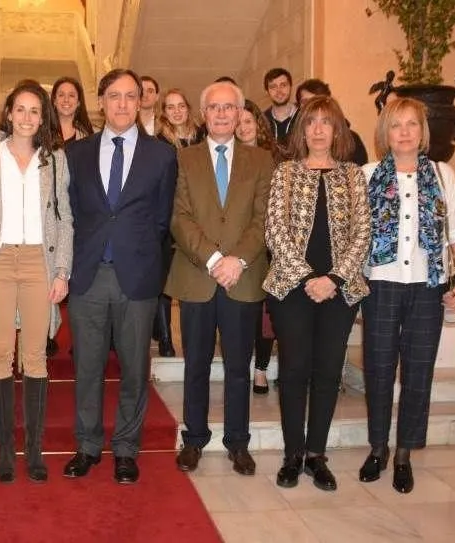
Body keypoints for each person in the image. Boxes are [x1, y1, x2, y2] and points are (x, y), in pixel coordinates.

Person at [63, 69, 177, 484]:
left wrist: (145, 260)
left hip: (138, 277)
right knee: (88, 368)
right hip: (89, 276)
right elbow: (69, 214)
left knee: (133, 369)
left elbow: (163, 219)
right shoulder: (75, 154)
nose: (123, 104)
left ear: (140, 101)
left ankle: (127, 449)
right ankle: (87, 445)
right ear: (101, 101)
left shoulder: (162, 155)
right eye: (114, 96)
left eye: (131, 96)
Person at [359, 97, 455, 494]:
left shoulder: (444, 175)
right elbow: (352, 234)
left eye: (412, 124)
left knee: (418, 372)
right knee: (377, 369)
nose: (405, 132)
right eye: (396, 125)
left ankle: (405, 452)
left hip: (429, 287)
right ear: (385, 133)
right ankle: (378, 448)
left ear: (422, 131)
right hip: (381, 283)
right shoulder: (367, 174)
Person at [0, 81, 73, 483]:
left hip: (37, 262)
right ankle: (5, 450)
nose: (27, 117)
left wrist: (62, 270)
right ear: (8, 113)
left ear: (42, 118)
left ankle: (35, 450)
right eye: (20, 109)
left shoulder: (55, 160)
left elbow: (65, 221)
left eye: (34, 111)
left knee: (36, 356)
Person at [263, 95, 371, 492]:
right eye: (311, 122)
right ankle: (292, 454)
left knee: (327, 373)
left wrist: (335, 280)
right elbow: (274, 230)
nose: (319, 129)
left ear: (338, 129)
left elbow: (363, 233)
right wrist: (309, 277)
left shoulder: (353, 175)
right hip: (292, 288)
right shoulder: (285, 173)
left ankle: (316, 455)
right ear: (302, 130)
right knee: (293, 372)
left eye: (327, 122)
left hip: (339, 293)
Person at [166, 81, 272, 475]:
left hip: (242, 279)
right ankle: (194, 439)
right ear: (203, 113)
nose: (223, 114)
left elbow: (264, 220)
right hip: (197, 275)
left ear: (240, 112)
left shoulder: (261, 161)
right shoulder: (184, 159)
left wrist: (237, 260)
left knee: (239, 368)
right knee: (195, 363)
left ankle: (238, 442)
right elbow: (179, 216)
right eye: (215, 107)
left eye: (230, 107)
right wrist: (213, 258)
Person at [153, 88, 206, 359]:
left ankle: (192, 340)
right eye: (170, 107)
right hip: (169, 216)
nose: (176, 111)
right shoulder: (158, 142)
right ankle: (165, 339)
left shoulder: (203, 137)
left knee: (191, 280)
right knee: (164, 281)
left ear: (188, 108)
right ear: (164, 112)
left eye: (181, 106)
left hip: (200, 218)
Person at [236, 99, 282, 394]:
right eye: (238, 123)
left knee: (266, 316)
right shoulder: (230, 157)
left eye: (248, 122)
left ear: (258, 125)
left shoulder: (276, 159)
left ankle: (261, 369)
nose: (242, 127)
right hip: (239, 245)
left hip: (271, 247)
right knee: (244, 313)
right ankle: (239, 367)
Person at [295, 78, 369, 165]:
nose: (312, 106)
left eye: (317, 101)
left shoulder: (352, 140)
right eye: (305, 102)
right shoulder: (294, 139)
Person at [51, 77, 95, 145]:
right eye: (61, 95)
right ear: (54, 101)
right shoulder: (43, 133)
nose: (66, 100)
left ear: (78, 102)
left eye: (71, 95)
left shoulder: (88, 136)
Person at [262, 68, 297, 146]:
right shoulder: (262, 121)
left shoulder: (303, 116)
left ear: (291, 87)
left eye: (283, 85)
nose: (279, 91)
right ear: (267, 92)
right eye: (273, 87)